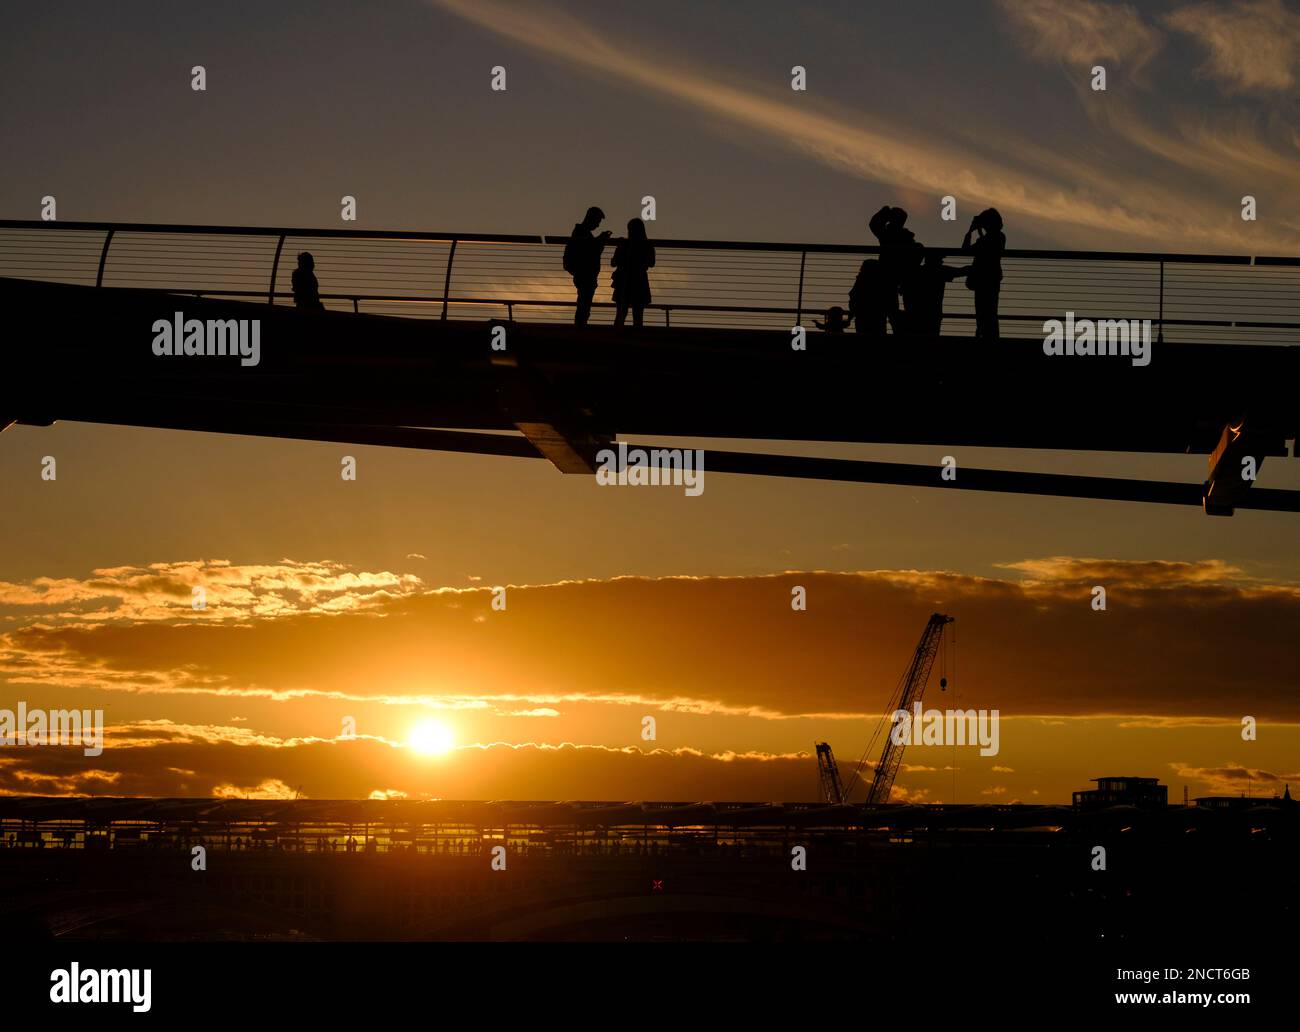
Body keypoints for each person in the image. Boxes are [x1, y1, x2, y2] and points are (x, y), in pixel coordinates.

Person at [869, 205, 922, 333]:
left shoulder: (888, 235)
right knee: (896, 311)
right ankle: (900, 334)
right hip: (903, 277)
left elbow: (873, 224)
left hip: (887, 276)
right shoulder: (908, 238)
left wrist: (884, 211)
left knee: (887, 308)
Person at [563, 206, 612, 325]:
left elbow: (591, 249)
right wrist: (601, 239)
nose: (598, 225)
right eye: (598, 221)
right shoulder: (582, 233)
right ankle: (580, 327)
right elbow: (590, 251)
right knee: (584, 303)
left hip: (584, 274)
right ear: (592, 219)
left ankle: (580, 325)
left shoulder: (581, 232)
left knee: (584, 303)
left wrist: (600, 240)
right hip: (585, 274)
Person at [901, 250, 968, 336]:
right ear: (934, 260)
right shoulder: (940, 271)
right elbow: (962, 271)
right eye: (940, 259)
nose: (942, 261)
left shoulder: (915, 272)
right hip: (933, 314)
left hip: (914, 314)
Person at [962, 208, 1005, 339]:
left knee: (988, 313)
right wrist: (971, 232)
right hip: (985, 280)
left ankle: (987, 337)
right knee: (984, 313)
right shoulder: (988, 238)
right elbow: (966, 250)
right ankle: (984, 335)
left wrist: (975, 230)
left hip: (987, 280)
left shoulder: (998, 236)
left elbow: (986, 249)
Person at [611, 218, 656, 327]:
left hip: (624, 280)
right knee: (638, 315)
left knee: (621, 314)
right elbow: (651, 263)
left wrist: (621, 248)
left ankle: (617, 336)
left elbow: (613, 262)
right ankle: (636, 337)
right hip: (639, 281)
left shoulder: (624, 244)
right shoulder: (647, 245)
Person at [848, 258, 890, 339]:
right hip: (877, 319)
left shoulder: (861, 281)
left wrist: (850, 316)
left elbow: (853, 297)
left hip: (863, 318)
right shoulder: (881, 284)